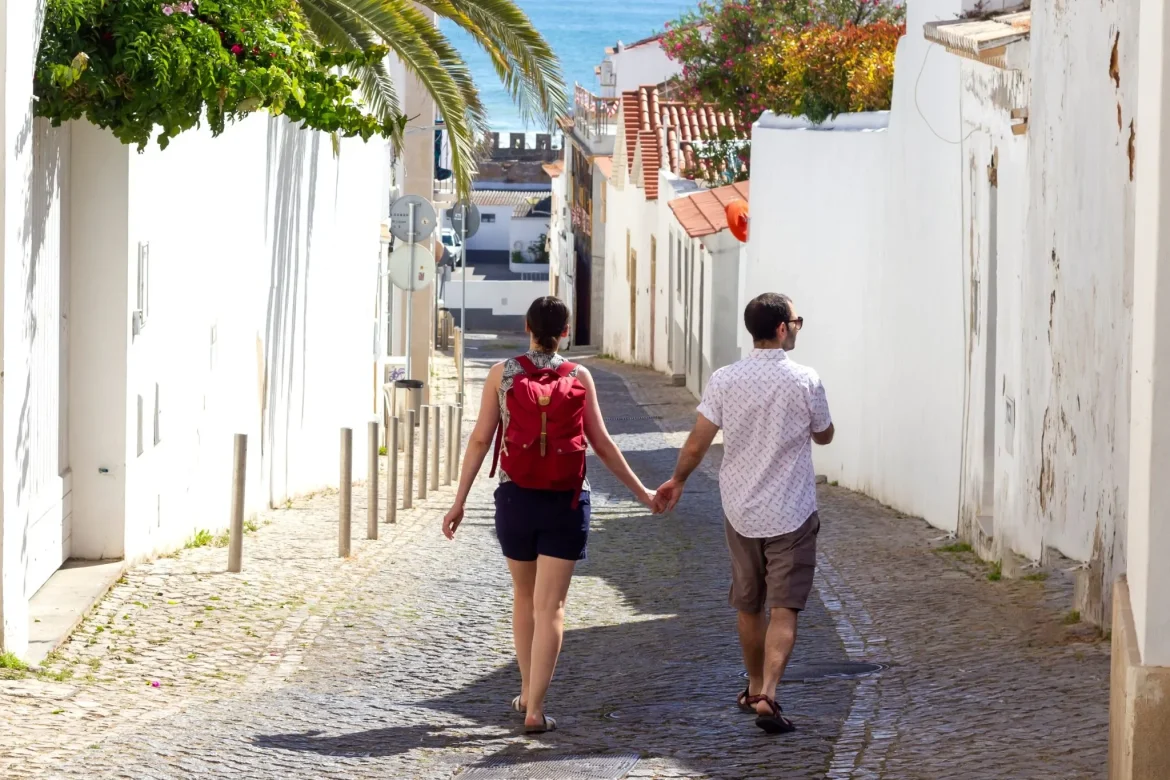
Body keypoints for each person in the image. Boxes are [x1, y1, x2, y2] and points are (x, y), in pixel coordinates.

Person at [442, 296, 656, 734]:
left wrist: (459, 500)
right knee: (552, 606)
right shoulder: (578, 375)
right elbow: (602, 444)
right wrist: (644, 493)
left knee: (524, 598)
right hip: (567, 501)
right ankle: (536, 709)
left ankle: (526, 691)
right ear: (566, 331)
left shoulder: (502, 374)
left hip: (515, 498)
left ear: (527, 327)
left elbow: (481, 439)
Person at [654, 292, 834, 735]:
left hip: (741, 510)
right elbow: (824, 434)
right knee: (784, 607)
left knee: (748, 604)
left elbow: (698, 440)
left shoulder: (724, 379)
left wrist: (678, 480)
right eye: (796, 322)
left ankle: (753, 686)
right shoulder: (805, 379)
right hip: (792, 510)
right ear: (782, 328)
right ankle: (769, 693)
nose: (797, 328)